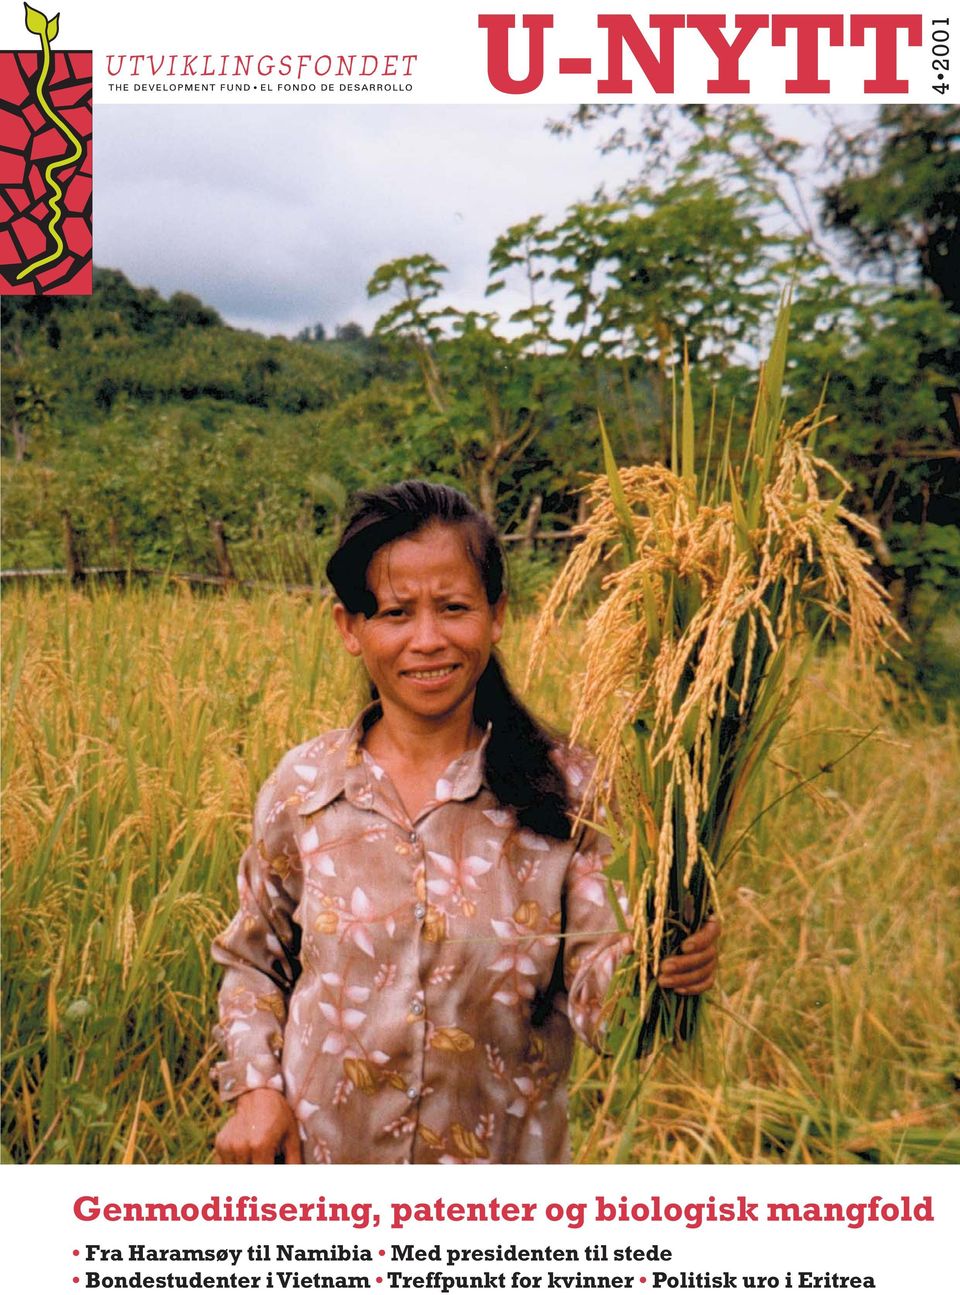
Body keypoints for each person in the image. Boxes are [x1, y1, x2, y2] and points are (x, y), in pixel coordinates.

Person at [212, 481, 719, 1165]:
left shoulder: (570, 794)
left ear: (496, 615)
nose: (428, 639)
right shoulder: (305, 789)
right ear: (350, 628)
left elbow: (604, 993)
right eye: (395, 612)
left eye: (454, 608)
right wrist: (256, 1090)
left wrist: (663, 961)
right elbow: (252, 961)